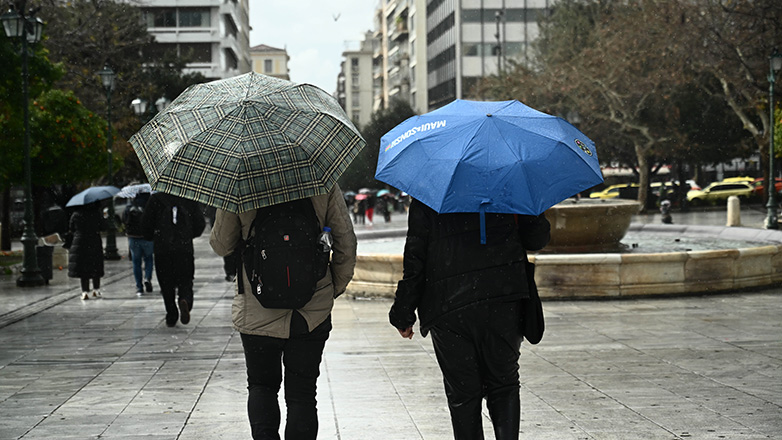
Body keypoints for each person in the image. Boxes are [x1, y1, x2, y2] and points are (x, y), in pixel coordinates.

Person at [389, 198, 550, 440]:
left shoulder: (430, 190)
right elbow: (536, 240)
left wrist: (403, 310)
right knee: (503, 385)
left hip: (449, 306)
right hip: (502, 297)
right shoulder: (508, 181)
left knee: (463, 394)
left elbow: (415, 257)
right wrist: (532, 209)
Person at [209, 184, 356, 440]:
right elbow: (346, 241)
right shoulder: (321, 180)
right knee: (302, 394)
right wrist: (331, 289)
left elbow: (221, 244)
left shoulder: (239, 182)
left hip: (257, 308)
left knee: (262, 387)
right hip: (310, 311)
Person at [141, 192, 206, 327]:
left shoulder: (156, 199)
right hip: (184, 249)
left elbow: (146, 224)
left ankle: (171, 313)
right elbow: (200, 224)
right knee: (186, 279)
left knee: (166, 283)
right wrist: (187, 235)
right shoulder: (189, 197)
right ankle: (185, 300)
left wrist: (153, 235)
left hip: (163, 249)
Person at [65, 202, 106, 300]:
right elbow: (103, 227)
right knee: (95, 265)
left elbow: (71, 228)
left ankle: (85, 291)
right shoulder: (96, 213)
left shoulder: (76, 214)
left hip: (80, 241)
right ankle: (96, 290)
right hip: (94, 241)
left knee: (83, 267)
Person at [123, 192, 154, 296]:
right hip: (147, 237)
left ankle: (139, 287)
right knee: (149, 258)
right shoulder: (149, 206)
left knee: (136, 262)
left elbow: (124, 220)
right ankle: (147, 277)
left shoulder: (130, 207)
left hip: (133, 238)